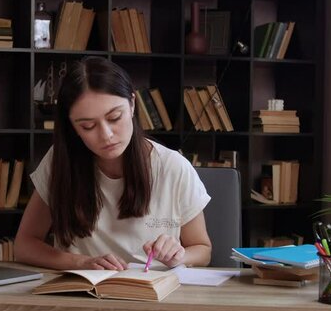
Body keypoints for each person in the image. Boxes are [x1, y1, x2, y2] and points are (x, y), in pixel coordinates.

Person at [15, 56, 212, 271]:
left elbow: (203, 250)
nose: (106, 135)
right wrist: (81, 262)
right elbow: (24, 245)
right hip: (84, 294)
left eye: (115, 117)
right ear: (72, 128)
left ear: (132, 104)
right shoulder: (61, 162)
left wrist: (179, 256)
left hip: (155, 294)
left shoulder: (173, 167)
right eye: (88, 126)